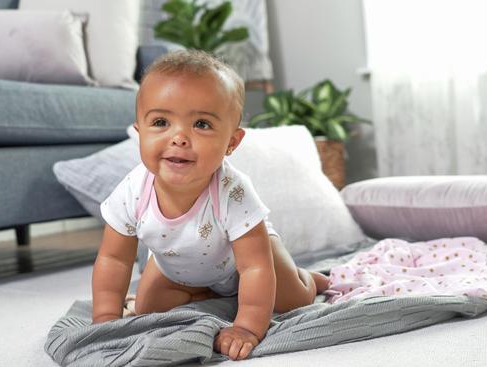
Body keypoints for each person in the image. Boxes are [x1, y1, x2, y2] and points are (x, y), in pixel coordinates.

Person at [91, 49, 329, 361]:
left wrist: (246, 327)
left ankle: (308, 278)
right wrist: (106, 319)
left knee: (291, 299)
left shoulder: (232, 191)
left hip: (245, 262)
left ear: (231, 142)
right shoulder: (132, 192)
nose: (179, 137)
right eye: (161, 122)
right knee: (149, 309)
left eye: (201, 124)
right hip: (176, 268)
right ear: (140, 133)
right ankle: (207, 291)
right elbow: (114, 260)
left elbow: (254, 266)